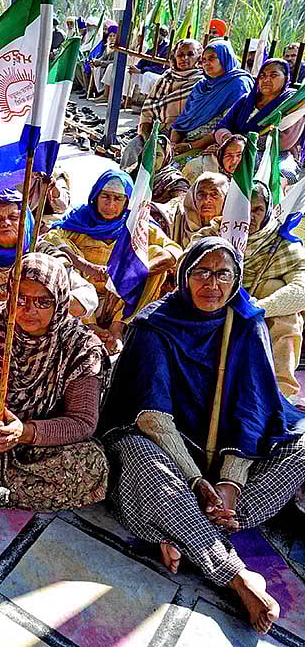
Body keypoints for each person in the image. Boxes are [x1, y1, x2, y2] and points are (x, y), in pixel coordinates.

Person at [99, 237, 305, 635]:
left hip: (226, 455)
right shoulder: (156, 326)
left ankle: (190, 527)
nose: (213, 284)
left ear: (236, 278)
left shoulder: (245, 321)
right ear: (184, 277)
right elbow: (152, 418)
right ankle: (236, 574)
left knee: (300, 446)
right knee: (141, 460)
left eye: (223, 274)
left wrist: (228, 482)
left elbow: (253, 408)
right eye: (202, 273)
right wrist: (196, 479)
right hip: (165, 442)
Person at [0, 253, 109, 512]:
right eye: (21, 298)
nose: (29, 310)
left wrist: (24, 433)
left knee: (91, 464)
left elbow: (82, 421)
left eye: (42, 302)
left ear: (59, 301)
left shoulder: (82, 347)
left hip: (42, 446)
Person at [0, 187, 99, 368]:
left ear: (27, 221)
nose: (5, 223)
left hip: (44, 348)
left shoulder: (45, 253)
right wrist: (11, 308)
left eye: (14, 218)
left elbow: (88, 296)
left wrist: (46, 305)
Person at [45, 169, 182, 352]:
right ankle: (89, 327)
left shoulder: (136, 224)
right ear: (96, 196)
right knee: (61, 256)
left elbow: (174, 251)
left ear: (127, 201)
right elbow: (51, 238)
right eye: (105, 197)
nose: (110, 205)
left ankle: (118, 327)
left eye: (118, 199)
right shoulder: (80, 220)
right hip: (81, 300)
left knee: (152, 253)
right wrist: (83, 264)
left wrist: (135, 271)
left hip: (120, 297)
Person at [191, 182, 305, 397]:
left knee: (282, 303)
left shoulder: (281, 244)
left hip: (259, 312)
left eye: (257, 210)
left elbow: (301, 290)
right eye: (243, 208)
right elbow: (187, 270)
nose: (249, 216)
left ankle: (281, 393)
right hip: (213, 307)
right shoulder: (209, 236)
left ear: (268, 210)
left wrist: (256, 307)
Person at [121, 39, 204, 170]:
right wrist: (147, 136)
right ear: (174, 56)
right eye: (180, 54)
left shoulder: (202, 82)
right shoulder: (167, 77)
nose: (184, 58)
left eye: (190, 54)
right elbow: (148, 109)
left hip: (184, 136)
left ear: (199, 58)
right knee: (132, 149)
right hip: (157, 131)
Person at [215, 59, 305, 177]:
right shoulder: (247, 100)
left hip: (274, 153)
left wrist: (244, 143)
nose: (266, 80)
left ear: (286, 78)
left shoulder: (292, 103)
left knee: (255, 168)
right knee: (204, 162)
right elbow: (223, 126)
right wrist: (228, 140)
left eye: (273, 75)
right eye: (262, 76)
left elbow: (284, 141)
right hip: (232, 147)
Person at [171, 41, 253, 167]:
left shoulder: (238, 85)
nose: (206, 63)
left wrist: (190, 146)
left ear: (225, 57)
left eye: (212, 58)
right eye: (203, 60)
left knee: (176, 168)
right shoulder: (201, 86)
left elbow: (227, 126)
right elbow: (182, 121)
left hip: (212, 145)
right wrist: (172, 145)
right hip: (185, 142)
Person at [171, 172, 229, 248]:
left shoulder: (233, 227)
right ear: (194, 199)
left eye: (214, 194)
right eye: (201, 195)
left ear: (225, 199)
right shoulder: (180, 220)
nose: (206, 200)